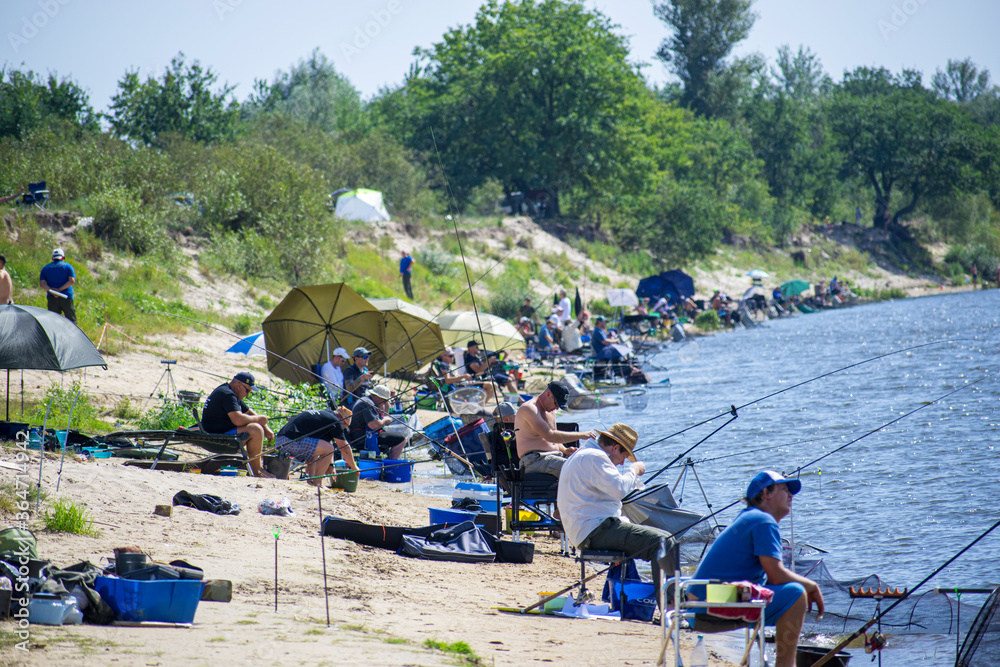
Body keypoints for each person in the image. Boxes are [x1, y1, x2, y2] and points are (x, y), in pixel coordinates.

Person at [692, 471, 825, 667]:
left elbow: (770, 579)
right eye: (784, 489)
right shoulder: (763, 520)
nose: (791, 495)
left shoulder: (749, 517)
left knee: (779, 592)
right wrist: (811, 586)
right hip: (711, 601)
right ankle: (786, 665)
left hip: (701, 601)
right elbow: (777, 575)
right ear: (766, 493)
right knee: (796, 594)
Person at [557, 422, 677, 591]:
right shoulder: (595, 457)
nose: (621, 464)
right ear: (615, 447)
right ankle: (670, 607)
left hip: (587, 529)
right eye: (624, 456)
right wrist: (633, 469)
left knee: (664, 538)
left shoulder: (583, 455)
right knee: (664, 542)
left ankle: (665, 601)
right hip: (594, 531)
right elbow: (620, 488)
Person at [514, 381, 596, 477]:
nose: (557, 408)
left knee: (589, 463)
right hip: (535, 460)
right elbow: (550, 436)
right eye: (557, 403)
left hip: (554, 456)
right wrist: (582, 435)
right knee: (578, 468)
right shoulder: (529, 409)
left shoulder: (550, 411)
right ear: (548, 394)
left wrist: (565, 450)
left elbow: (555, 441)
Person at [201, 372, 275, 478]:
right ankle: (257, 471)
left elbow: (248, 412)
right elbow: (238, 420)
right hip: (215, 436)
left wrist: (266, 428)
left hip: (221, 431)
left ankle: (255, 467)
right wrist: (259, 420)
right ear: (240, 385)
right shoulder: (227, 394)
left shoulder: (231, 393)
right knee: (255, 429)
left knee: (258, 427)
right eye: (248, 390)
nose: (247, 395)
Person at [275, 407, 357, 485]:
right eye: (344, 426)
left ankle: (311, 480)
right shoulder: (335, 422)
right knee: (328, 448)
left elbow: (325, 444)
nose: (343, 429)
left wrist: (331, 465)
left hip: (280, 440)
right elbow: (344, 448)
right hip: (290, 441)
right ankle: (317, 483)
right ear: (342, 419)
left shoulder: (324, 416)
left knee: (320, 447)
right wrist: (354, 467)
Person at [347, 385, 406, 459]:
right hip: (362, 437)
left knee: (398, 436)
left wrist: (384, 405)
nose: (384, 403)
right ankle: (391, 464)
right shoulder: (367, 403)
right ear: (377, 396)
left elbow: (384, 414)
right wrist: (384, 421)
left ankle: (389, 462)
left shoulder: (369, 400)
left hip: (363, 434)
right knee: (402, 438)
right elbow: (374, 425)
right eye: (384, 400)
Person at [431, 348, 496, 402]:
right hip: (459, 387)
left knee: (493, 385)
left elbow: (457, 377)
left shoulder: (451, 366)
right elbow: (447, 380)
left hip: (463, 384)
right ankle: (481, 405)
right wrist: (463, 377)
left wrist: (466, 379)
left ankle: (480, 405)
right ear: (443, 356)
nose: (452, 358)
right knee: (491, 385)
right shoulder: (443, 365)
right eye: (450, 356)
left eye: (453, 355)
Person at [39, 248, 76, 323]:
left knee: (53, 322)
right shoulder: (68, 267)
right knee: (71, 321)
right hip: (66, 296)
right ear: (63, 257)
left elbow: (42, 284)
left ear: (52, 258)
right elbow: (71, 281)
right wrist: (59, 290)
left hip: (52, 297)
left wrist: (52, 291)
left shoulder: (46, 268)